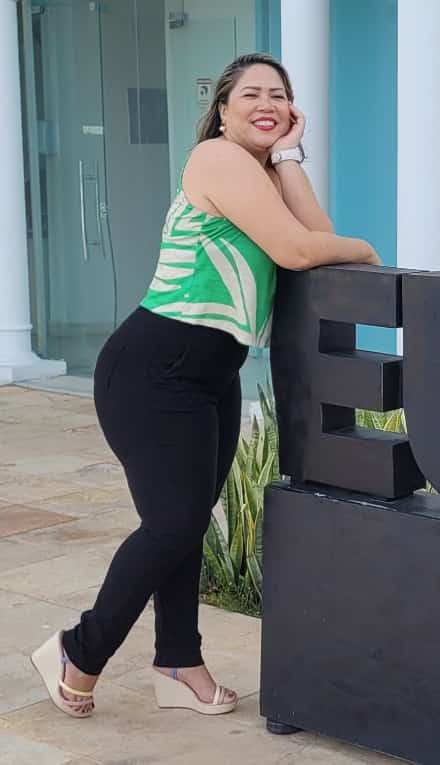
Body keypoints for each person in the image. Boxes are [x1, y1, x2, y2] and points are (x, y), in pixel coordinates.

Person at [30, 52, 380, 718]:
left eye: (279, 94)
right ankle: (79, 648)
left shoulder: (264, 172)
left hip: (210, 372)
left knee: (184, 524)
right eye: (251, 94)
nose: (267, 103)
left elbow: (316, 237)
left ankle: (177, 661)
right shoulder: (218, 160)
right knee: (172, 524)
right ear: (221, 110)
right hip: (153, 369)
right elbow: (302, 250)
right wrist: (365, 249)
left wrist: (290, 154)